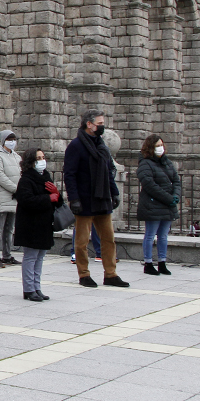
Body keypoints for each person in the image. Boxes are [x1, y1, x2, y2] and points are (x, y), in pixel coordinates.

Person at [63, 110, 129, 288]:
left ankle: (110, 273)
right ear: (89, 124)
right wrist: (74, 198)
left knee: (108, 238)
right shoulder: (76, 146)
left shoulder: (101, 145)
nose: (102, 126)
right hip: (85, 199)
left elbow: (109, 171)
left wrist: (114, 192)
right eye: (99, 123)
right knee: (82, 241)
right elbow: (69, 174)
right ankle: (84, 274)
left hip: (102, 198)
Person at [14, 148, 58, 302]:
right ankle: (28, 289)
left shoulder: (46, 177)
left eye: (43, 157)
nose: (42, 161)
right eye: (38, 158)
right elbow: (26, 200)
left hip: (44, 223)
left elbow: (56, 199)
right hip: (30, 224)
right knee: (31, 257)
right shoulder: (26, 179)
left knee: (40, 257)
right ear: (31, 161)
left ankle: (37, 287)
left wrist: (57, 196)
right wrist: (49, 199)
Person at [137, 134, 180, 276]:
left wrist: (175, 196)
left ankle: (162, 262)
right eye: (157, 146)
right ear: (150, 148)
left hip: (167, 204)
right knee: (150, 234)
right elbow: (149, 185)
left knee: (163, 235)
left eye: (161, 145)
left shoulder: (167, 162)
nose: (160, 148)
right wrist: (168, 198)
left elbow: (176, 180)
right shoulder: (145, 163)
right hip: (153, 204)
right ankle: (148, 263)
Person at [0, 130, 21, 268]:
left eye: (14, 139)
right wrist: (16, 188)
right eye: (9, 139)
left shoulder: (17, 157)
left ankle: (7, 255)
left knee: (9, 229)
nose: (12, 141)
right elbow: (0, 176)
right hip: (1, 198)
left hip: (13, 198)